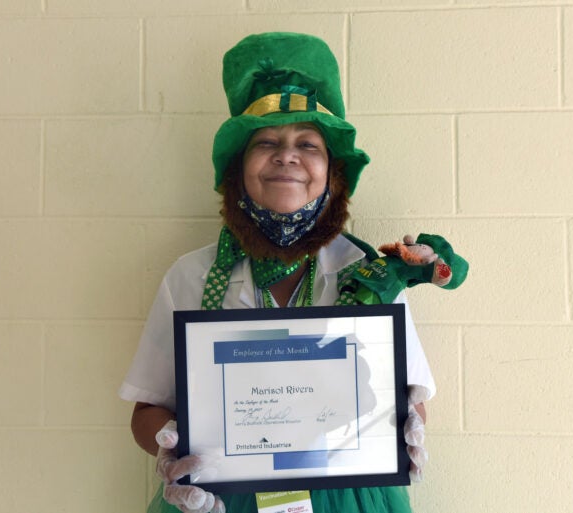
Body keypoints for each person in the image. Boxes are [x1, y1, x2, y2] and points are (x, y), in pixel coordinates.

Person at [119, 32, 436, 513]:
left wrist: (407, 422)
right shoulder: (191, 276)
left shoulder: (368, 274)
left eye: (308, 143)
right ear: (237, 169)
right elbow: (148, 409)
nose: (287, 155)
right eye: (266, 141)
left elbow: (409, 400)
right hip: (219, 499)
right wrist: (167, 449)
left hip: (349, 499)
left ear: (333, 174)